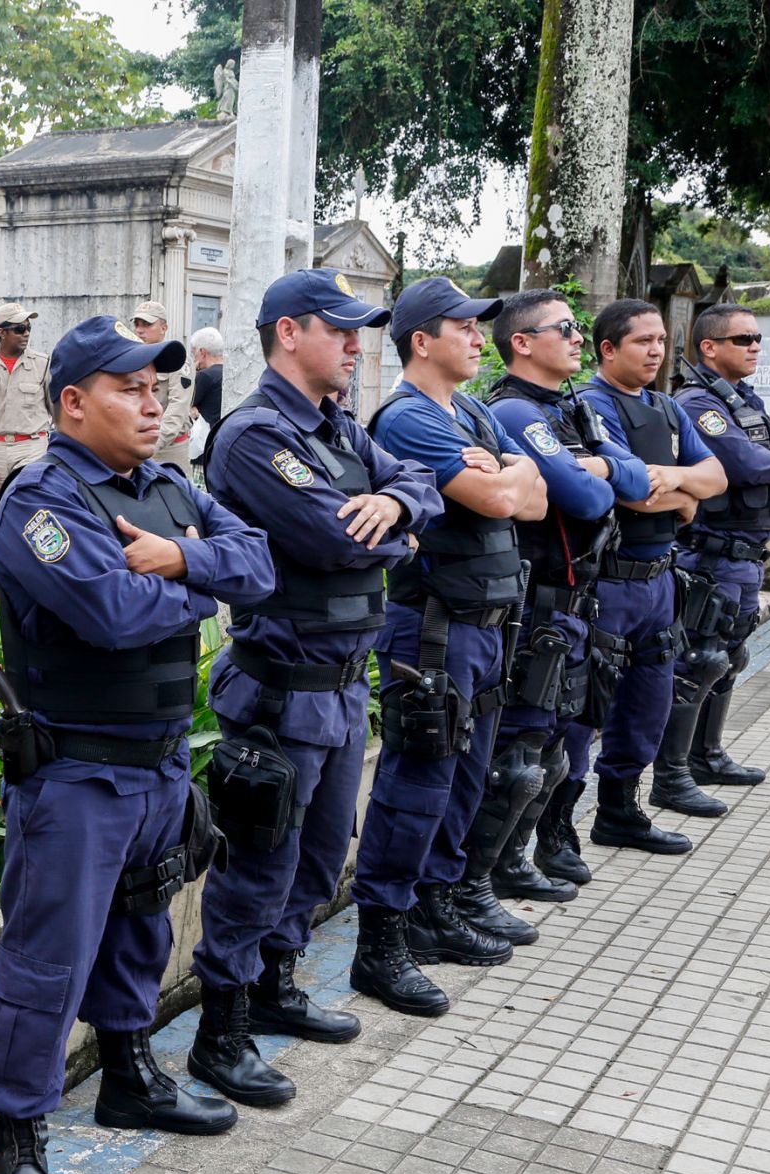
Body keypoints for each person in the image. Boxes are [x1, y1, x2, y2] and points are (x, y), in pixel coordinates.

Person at [0, 315, 277, 1174]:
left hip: (157, 767)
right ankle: (18, 1130)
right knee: (46, 960)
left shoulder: (169, 489)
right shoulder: (39, 499)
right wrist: (198, 583)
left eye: (159, 389)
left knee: (144, 931)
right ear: (74, 403)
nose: (153, 405)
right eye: (130, 389)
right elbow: (109, 611)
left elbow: (261, 565)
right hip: (74, 778)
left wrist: (179, 557)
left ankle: (130, 1077)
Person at [192, 270, 442, 1094]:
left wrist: (399, 510)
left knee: (322, 853)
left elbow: (418, 483)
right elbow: (333, 539)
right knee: (258, 864)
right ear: (289, 333)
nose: (354, 345)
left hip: (341, 686)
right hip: (279, 689)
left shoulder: (336, 428)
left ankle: (275, 989)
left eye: (357, 331)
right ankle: (219, 1034)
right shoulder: (255, 435)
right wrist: (391, 536)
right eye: (338, 329)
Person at [350, 278, 548, 1000]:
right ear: (421, 339)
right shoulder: (407, 418)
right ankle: (382, 939)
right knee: (418, 782)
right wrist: (508, 477)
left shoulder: (468, 410)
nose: (476, 336)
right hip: (433, 628)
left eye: (478, 324)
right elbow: (502, 498)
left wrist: (512, 471)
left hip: (488, 624)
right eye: (461, 325)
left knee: (466, 778)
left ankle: (436, 906)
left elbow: (537, 495)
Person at [473, 291, 648, 901]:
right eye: (565, 328)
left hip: (576, 603)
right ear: (521, 342)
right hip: (536, 601)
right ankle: (488, 875)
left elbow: (637, 475)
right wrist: (598, 471)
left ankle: (520, 857)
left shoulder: (573, 408)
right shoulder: (518, 413)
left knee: (554, 742)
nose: (579, 337)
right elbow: (591, 498)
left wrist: (594, 465)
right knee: (522, 748)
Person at [571, 301, 727, 855]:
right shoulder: (592, 405)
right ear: (608, 349)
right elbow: (633, 493)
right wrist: (678, 496)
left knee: (649, 701)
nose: (657, 351)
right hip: (610, 581)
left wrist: (679, 485)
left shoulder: (665, 405)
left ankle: (620, 812)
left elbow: (716, 476)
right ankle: (553, 833)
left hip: (663, 581)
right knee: (587, 704)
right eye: (643, 341)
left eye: (662, 340)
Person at [661, 305, 770, 806]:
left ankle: (707, 755)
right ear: (709, 347)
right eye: (743, 338)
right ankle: (672, 775)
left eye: (756, 338)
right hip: (710, 554)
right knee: (699, 659)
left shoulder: (740, 397)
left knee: (731, 655)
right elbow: (742, 463)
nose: (755, 346)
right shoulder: (697, 400)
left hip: (744, 554)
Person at [0, 303, 54, 507]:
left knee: (32, 507)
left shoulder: (42, 363)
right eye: (20, 329)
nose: (26, 334)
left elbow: (56, 411)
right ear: (2, 332)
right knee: (0, 510)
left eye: (29, 328)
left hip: (33, 447)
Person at [131, 301, 197, 475]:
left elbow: (178, 408)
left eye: (147, 324)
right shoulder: (131, 358)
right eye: (137, 324)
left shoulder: (177, 359)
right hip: (136, 446)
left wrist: (152, 444)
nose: (139, 330)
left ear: (164, 328)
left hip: (168, 450)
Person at [189, 326, 226, 458]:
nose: (194, 358)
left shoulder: (205, 376)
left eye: (194, 353)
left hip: (205, 443)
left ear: (203, 352)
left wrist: (192, 373)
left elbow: (186, 403)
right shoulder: (228, 373)